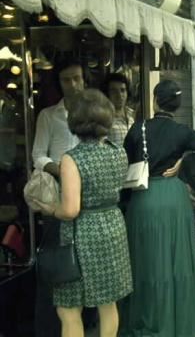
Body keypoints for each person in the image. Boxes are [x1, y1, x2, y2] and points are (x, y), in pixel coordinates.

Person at [120, 80, 195, 337]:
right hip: (174, 199)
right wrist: (183, 165)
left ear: (154, 101)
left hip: (144, 200)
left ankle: (147, 319)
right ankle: (177, 321)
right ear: (177, 105)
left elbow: (126, 164)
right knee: (176, 263)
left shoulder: (137, 129)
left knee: (146, 262)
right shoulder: (182, 132)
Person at [35, 89, 133, 337]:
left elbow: (70, 209)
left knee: (68, 308)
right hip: (113, 226)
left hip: (83, 234)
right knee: (108, 304)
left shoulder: (72, 159)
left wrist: (48, 208)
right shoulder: (117, 152)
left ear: (75, 122)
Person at [32, 58, 85, 337]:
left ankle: (83, 324)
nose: (74, 84)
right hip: (59, 197)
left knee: (85, 268)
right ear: (60, 84)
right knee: (59, 268)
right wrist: (61, 170)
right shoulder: (49, 116)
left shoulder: (94, 113)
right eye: (67, 80)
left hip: (89, 202)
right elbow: (37, 155)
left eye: (77, 78)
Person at [102, 73, 134, 145]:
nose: (119, 95)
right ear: (107, 94)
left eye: (122, 90)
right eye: (114, 91)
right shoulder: (104, 119)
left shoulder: (131, 116)